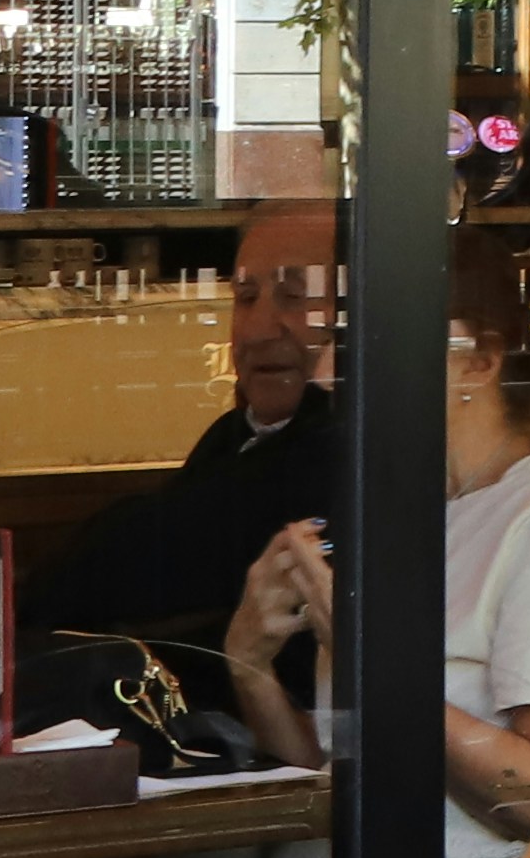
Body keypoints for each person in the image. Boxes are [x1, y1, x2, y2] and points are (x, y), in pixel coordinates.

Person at [220, 228, 530, 858]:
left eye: (370, 341)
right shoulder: (399, 514)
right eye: (337, 342)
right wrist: (249, 661)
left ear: (478, 361)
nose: (330, 372)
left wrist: (373, 656)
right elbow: (332, 769)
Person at [31, 211, 345, 637]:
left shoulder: (345, 447)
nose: (256, 331)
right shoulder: (232, 432)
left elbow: (144, 554)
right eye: (246, 297)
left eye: (293, 296)